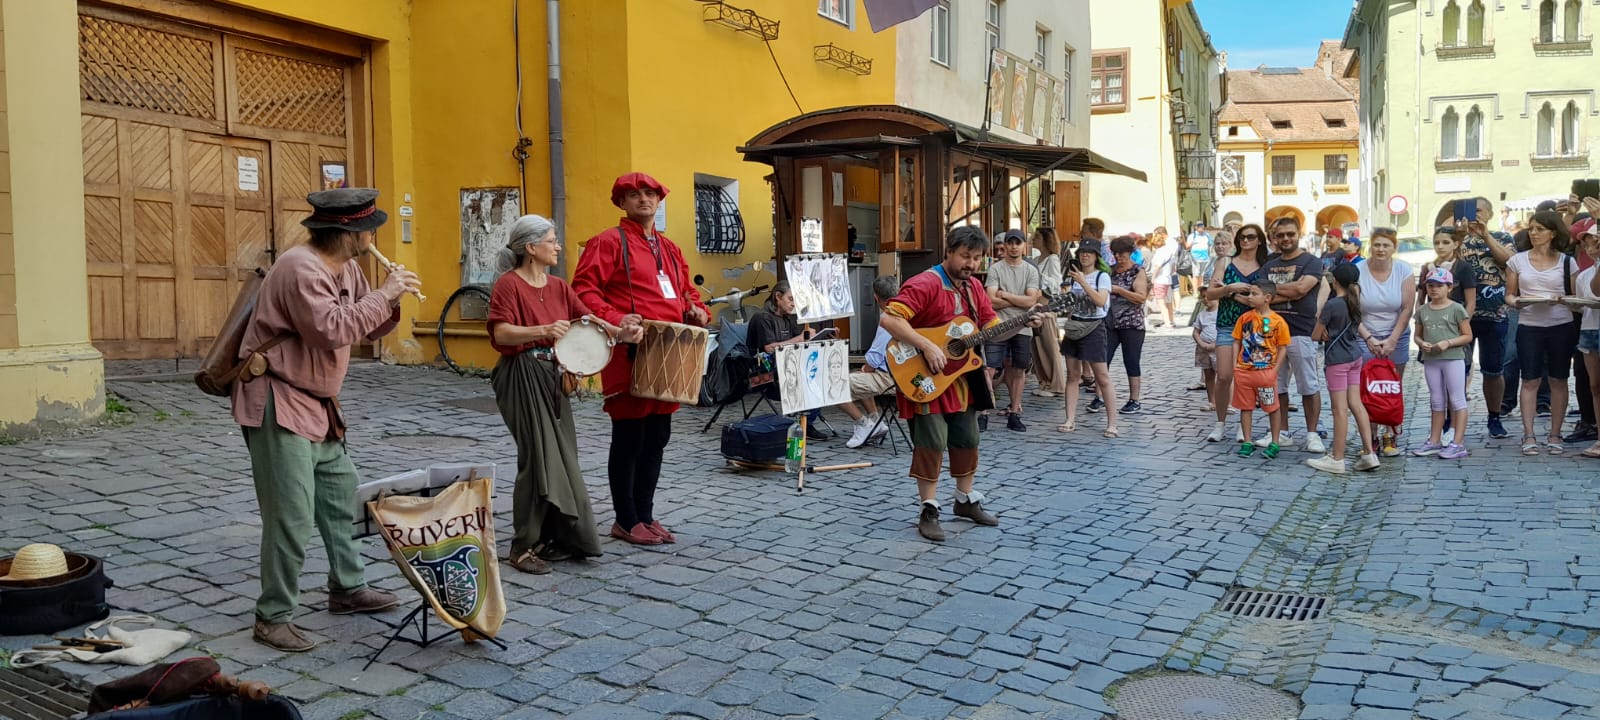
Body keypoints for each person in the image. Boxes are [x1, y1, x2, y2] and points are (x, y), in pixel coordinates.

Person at [232, 188, 415, 652]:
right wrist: (387, 293)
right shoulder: (300, 267)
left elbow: (363, 324)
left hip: (318, 402)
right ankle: (272, 617)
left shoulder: (348, 266)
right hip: (278, 397)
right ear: (348, 233)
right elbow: (330, 329)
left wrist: (389, 301)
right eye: (369, 229)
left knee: (339, 498)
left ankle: (348, 589)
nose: (375, 237)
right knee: (290, 515)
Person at [488, 215, 634, 575]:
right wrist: (543, 329)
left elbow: (587, 320)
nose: (557, 246)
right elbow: (500, 334)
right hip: (521, 375)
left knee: (563, 456)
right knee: (537, 458)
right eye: (552, 240)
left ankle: (559, 538)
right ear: (530, 247)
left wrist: (619, 331)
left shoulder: (558, 286)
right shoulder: (508, 285)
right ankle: (522, 547)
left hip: (555, 378)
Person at [573, 172, 711, 546]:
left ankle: (646, 515)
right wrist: (617, 320)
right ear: (622, 203)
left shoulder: (670, 248)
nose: (643, 200)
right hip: (629, 352)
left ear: (659, 200)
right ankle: (625, 518)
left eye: (649, 193)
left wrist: (697, 311)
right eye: (633, 195)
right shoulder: (607, 241)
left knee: (657, 438)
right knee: (629, 438)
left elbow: (686, 293)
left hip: (667, 353)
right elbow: (583, 291)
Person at [879, 226, 1009, 542]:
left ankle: (964, 500)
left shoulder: (975, 289)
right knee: (932, 441)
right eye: (965, 256)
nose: (971, 264)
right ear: (949, 251)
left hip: (962, 378)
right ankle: (929, 508)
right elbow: (889, 319)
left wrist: (1021, 322)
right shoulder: (925, 283)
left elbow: (990, 325)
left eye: (977, 258)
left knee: (968, 438)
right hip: (924, 374)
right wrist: (927, 345)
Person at [1506, 211, 1580, 455]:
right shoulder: (1517, 261)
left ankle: (1555, 433)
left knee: (1559, 379)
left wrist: (1563, 299)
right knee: (1530, 380)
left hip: (1561, 324)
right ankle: (1528, 435)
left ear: (1553, 233)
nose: (1533, 233)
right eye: (1531, 228)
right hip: (1529, 325)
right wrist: (1517, 302)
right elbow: (1509, 295)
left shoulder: (1567, 262)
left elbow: (1577, 299)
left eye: (1539, 229)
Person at [1260, 215, 1327, 453]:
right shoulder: (1268, 265)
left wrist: (1273, 291)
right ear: (1275, 239)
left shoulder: (1312, 261)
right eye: (1280, 235)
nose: (1286, 238)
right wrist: (1288, 292)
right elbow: (1260, 296)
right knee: (1275, 386)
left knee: (1308, 384)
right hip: (1271, 334)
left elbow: (1301, 289)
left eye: (1290, 234)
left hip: (1301, 331)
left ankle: (1312, 434)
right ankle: (1281, 432)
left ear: (1298, 234)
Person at [1307, 264, 1380, 474]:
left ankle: (1337, 458)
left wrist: (1322, 331)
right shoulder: (1355, 302)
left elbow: (1315, 334)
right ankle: (1369, 452)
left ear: (1334, 281)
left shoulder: (1332, 305)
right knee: (1356, 404)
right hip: (1354, 356)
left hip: (1337, 360)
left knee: (1339, 410)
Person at [1455, 198, 1517, 439]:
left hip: (1494, 313)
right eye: (1471, 211)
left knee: (1493, 370)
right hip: (1460, 315)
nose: (1474, 215)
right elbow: (1447, 264)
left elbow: (1509, 261)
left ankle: (1494, 417)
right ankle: (1453, 418)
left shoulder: (1502, 238)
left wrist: (1485, 235)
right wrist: (1459, 237)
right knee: (1458, 368)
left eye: (1479, 211)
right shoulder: (1456, 236)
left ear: (1489, 214)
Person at [1203, 223, 1269, 443]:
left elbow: (1264, 297)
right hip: (1227, 324)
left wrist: (1239, 296)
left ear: (1259, 240)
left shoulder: (1265, 265)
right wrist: (1230, 289)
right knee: (1224, 376)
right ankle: (1220, 422)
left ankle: (1244, 425)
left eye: (1251, 237)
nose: (1246, 241)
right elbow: (1211, 293)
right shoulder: (1226, 262)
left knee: (1246, 378)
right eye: (1242, 237)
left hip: (1254, 326)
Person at [1357, 228, 1417, 457]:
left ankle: (1390, 434)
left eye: (1386, 245)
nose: (1381, 249)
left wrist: (1392, 339)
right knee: (1368, 388)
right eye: (1377, 245)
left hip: (1396, 334)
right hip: (1364, 333)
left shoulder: (1403, 270)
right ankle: (1369, 436)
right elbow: (1352, 309)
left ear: (1394, 248)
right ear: (1370, 246)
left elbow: (1406, 307)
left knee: (1392, 385)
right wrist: (1369, 338)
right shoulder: (1358, 270)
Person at [1057, 241, 1119, 437]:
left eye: (1089, 253)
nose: (1085, 256)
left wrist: (1084, 282)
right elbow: (1071, 305)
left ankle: (1112, 423)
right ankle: (1069, 418)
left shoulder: (1102, 277)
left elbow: (1100, 301)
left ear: (1096, 256)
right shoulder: (1073, 277)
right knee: (1073, 375)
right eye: (1082, 253)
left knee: (1102, 376)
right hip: (1075, 325)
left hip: (1094, 327)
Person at [749, 282, 826, 440]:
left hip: (787, 368)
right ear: (778, 297)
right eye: (791, 299)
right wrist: (801, 337)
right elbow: (769, 348)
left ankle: (806, 422)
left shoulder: (788, 319)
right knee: (811, 380)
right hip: (763, 376)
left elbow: (797, 343)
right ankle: (805, 424)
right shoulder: (762, 317)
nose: (794, 304)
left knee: (822, 374)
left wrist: (822, 336)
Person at [1411, 267, 1474, 459]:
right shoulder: (1422, 311)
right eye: (1430, 286)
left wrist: (1448, 343)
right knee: (1436, 400)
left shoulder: (1456, 309)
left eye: (1439, 286)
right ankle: (1434, 440)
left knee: (1457, 399)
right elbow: (1417, 336)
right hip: (1432, 360)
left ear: (1449, 287)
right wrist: (1422, 344)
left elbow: (1467, 335)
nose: (1434, 290)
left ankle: (1458, 442)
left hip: (1453, 358)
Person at [983, 229, 1042, 431]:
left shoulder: (1030, 270)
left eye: (1018, 243)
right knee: (989, 368)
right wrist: (1019, 303)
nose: (1014, 246)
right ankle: (983, 411)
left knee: (1019, 369)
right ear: (1005, 245)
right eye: (1011, 243)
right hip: (996, 325)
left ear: (1024, 245)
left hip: (1022, 327)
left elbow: (1032, 300)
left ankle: (1015, 412)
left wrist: (1005, 295)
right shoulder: (996, 269)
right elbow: (990, 300)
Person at [836, 276, 902, 448]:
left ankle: (863, 424)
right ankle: (875, 420)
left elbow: (874, 357)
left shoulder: (889, 317)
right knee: (863, 373)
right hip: (902, 374)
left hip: (889, 377)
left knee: (832, 385)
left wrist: (866, 369)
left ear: (875, 297)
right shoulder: (905, 311)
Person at [1232, 278, 1290, 458]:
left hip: (1265, 372)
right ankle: (1247, 440)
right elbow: (1237, 340)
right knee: (1245, 407)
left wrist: (1275, 370)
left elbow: (1283, 347)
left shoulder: (1278, 321)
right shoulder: (1245, 318)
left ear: (1267, 297)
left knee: (1272, 406)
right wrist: (1235, 364)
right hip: (1245, 370)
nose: (1249, 297)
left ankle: (1275, 441)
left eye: (1254, 294)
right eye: (1249, 293)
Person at [1105, 237, 1150, 414]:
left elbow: (1140, 297)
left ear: (1130, 253)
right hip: (1111, 322)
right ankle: (1100, 396)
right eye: (1115, 253)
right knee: (1103, 358)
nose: (1118, 257)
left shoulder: (1138, 271)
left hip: (1132, 323)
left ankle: (1134, 399)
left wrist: (1120, 290)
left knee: (1131, 361)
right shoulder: (1110, 271)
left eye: (1121, 253)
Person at [1572, 221, 1600, 458]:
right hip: (1590, 328)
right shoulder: (1584, 275)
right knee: (1595, 385)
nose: (1592, 244)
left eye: (1595, 239)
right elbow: (1583, 304)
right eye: (1589, 241)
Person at [1030, 228, 1069, 398]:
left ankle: (1056, 384)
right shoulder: (1036, 259)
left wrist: (1038, 275)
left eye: (1037, 237)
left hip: (1046, 305)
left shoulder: (1052, 259)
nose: (1033, 239)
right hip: (1034, 304)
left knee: (1049, 344)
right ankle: (1044, 381)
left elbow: (1056, 284)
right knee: (1037, 346)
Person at [1146, 227, 1178, 328]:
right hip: (1168, 280)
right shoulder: (1169, 252)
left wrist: (1152, 279)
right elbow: (1173, 268)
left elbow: (1157, 266)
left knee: (1161, 302)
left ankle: (1167, 323)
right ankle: (1172, 321)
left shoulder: (1159, 253)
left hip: (1160, 280)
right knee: (1169, 302)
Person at [1192, 295, 1219, 407]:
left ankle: (1224, 401)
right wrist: (1201, 343)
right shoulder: (1202, 314)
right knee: (1208, 374)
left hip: (1218, 347)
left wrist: (1216, 344)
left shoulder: (1220, 313)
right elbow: (1196, 331)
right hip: (1203, 349)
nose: (1205, 299)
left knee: (1221, 375)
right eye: (1202, 297)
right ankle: (1211, 400)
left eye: (1208, 296)